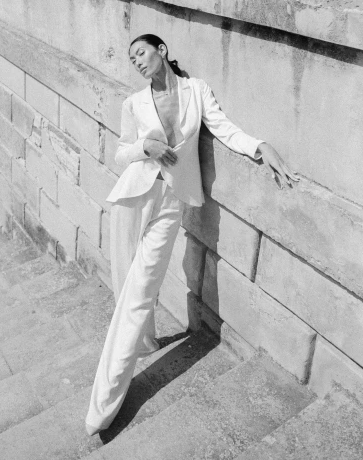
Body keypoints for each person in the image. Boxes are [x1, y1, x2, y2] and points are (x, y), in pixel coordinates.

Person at [85, 34, 299, 435]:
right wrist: (145, 146)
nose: (138, 62)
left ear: (161, 51)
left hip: (172, 200)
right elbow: (120, 152)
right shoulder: (133, 103)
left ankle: (104, 401)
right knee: (124, 281)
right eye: (132, 59)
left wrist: (261, 146)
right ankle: (143, 340)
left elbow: (223, 128)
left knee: (142, 287)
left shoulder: (196, 90)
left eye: (142, 53)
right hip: (133, 197)